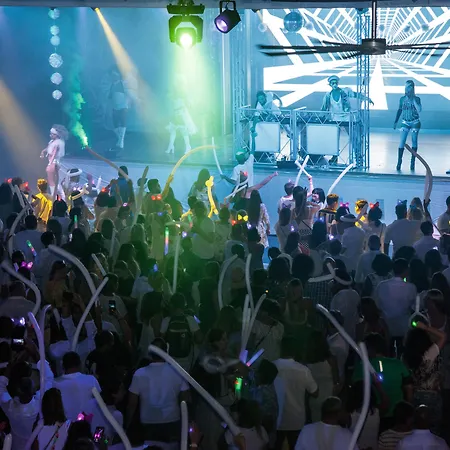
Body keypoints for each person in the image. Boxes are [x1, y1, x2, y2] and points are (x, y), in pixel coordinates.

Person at [126, 338, 191, 444]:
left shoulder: (139, 374)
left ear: (150, 353)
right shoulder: (178, 372)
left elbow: (132, 404)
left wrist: (127, 425)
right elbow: (185, 398)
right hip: (172, 420)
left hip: (148, 422)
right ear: (166, 352)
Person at [353, 333, 413, 432]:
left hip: (374, 415)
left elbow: (356, 390)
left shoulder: (362, 366)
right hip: (398, 416)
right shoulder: (398, 364)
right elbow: (409, 387)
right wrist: (408, 409)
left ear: (370, 348)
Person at [273, 337, 318, 450]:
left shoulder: (271, 366)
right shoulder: (303, 370)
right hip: (296, 419)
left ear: (281, 348)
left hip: (276, 419)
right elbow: (315, 392)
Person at [403, 322, 447, 434]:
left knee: (417, 431)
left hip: (415, 396)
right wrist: (425, 327)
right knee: (434, 432)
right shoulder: (430, 354)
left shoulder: (406, 358)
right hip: (432, 396)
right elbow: (443, 336)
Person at [375, 258, 416, 356]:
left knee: (387, 353)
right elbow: (414, 307)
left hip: (385, 326)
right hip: (404, 327)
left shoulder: (382, 285)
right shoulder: (411, 287)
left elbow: (376, 305)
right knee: (403, 353)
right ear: (406, 270)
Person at [52, 351, 101, 421]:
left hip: (64, 425)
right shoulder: (91, 380)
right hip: (88, 424)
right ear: (80, 364)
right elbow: (101, 402)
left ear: (62, 366)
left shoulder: (54, 383)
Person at [161, 293, 202, 372]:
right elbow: (200, 338)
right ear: (184, 305)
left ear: (171, 305)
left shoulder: (166, 320)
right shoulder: (190, 319)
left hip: (171, 360)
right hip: (187, 360)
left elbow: (161, 340)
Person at [394, 80, 422, 171]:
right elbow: (399, 110)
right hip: (405, 121)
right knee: (402, 141)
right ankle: (399, 161)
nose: (407, 89)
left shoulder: (417, 99)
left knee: (414, 141)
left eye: (409, 87)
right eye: (406, 87)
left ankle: (412, 162)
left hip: (415, 122)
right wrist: (396, 121)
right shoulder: (402, 99)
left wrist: (413, 100)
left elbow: (419, 110)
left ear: (412, 88)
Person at [330, 269, 360, 340]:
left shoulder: (339, 296)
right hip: (354, 333)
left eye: (333, 281)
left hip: (341, 336)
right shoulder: (355, 293)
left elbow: (337, 318)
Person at [40, 124, 68, 197]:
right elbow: (48, 148)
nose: (51, 135)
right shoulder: (52, 142)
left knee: (51, 180)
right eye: (51, 134)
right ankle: (59, 196)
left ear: (57, 135)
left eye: (53, 134)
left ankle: (54, 196)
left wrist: (50, 163)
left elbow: (54, 154)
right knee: (53, 181)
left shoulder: (57, 143)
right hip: (52, 162)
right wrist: (43, 151)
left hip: (54, 162)